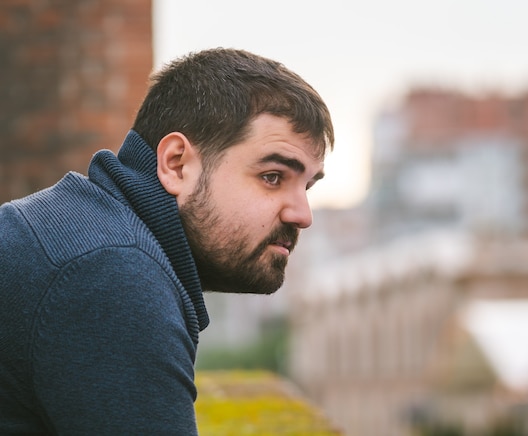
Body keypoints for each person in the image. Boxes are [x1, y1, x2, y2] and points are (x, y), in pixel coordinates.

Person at [0, 48, 334, 434]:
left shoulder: (90, 231)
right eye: (273, 177)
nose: (302, 215)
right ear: (177, 164)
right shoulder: (111, 276)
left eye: (306, 185)